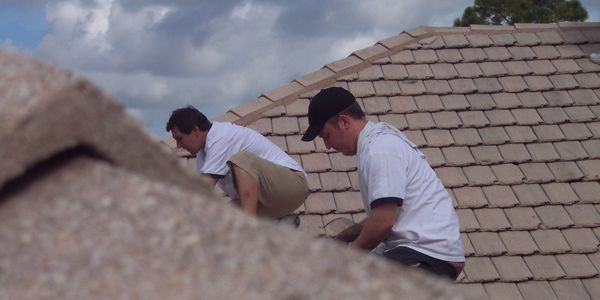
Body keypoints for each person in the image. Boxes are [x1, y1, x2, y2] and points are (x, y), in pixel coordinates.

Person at [301, 87, 465, 280]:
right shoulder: (379, 142)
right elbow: (380, 218)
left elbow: (382, 223)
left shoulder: (379, 149)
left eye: (326, 136)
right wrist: (344, 236)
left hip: (426, 253)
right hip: (426, 252)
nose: (327, 146)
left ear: (344, 121)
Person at [166, 106, 309, 221]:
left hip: (292, 184)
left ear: (195, 130)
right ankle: (278, 225)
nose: (179, 145)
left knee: (242, 159)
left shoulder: (221, 136)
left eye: (180, 139)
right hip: (268, 201)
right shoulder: (202, 156)